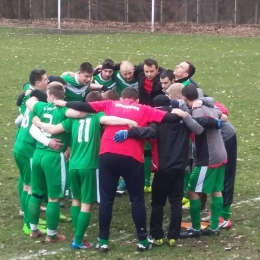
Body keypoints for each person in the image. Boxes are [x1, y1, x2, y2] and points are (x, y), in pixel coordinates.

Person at [53, 87, 183, 252]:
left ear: (122, 98)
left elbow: (84, 106)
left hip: (107, 154)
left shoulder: (110, 104)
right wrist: (179, 112)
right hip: (132, 157)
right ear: (136, 100)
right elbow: (170, 118)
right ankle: (142, 240)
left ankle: (103, 241)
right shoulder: (144, 109)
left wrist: (63, 102)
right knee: (136, 199)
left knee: (106, 200)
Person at [31, 91, 138, 249]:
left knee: (76, 201)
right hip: (89, 166)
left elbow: (53, 129)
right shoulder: (97, 116)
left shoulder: (73, 119)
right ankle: (78, 240)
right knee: (87, 204)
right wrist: (128, 121)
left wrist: (38, 123)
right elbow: (109, 119)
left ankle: (77, 235)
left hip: (73, 165)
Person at [113, 94, 222, 247]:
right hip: (180, 168)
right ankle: (173, 236)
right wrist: (215, 121)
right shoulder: (183, 120)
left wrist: (129, 133)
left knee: (158, 204)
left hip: (163, 170)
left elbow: (147, 132)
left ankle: (157, 236)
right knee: (176, 202)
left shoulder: (158, 122)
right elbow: (200, 121)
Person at [26, 82, 86, 242]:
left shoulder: (40, 107)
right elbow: (80, 114)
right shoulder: (64, 110)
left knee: (36, 193)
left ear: (50, 95)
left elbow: (29, 102)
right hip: (53, 157)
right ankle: (51, 235)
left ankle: (33, 230)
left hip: (37, 154)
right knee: (54, 198)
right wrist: (65, 105)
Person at [177, 84, 227, 238]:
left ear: (184, 98)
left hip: (208, 158)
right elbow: (221, 114)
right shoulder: (209, 106)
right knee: (216, 190)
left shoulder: (197, 109)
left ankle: (196, 228)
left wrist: (185, 116)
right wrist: (206, 102)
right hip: (221, 154)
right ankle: (213, 228)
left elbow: (198, 129)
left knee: (192, 191)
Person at [13, 69, 50, 235]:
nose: (48, 81)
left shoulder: (31, 96)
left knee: (25, 181)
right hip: (27, 148)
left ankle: (27, 214)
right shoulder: (40, 104)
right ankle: (29, 223)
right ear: (38, 82)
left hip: (20, 145)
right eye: (46, 79)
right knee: (29, 187)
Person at [202, 102, 237, 229]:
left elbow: (222, 109)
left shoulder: (198, 99)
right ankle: (216, 212)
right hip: (215, 141)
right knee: (217, 175)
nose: (163, 87)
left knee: (227, 175)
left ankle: (225, 216)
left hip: (226, 138)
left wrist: (220, 114)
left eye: (165, 83)